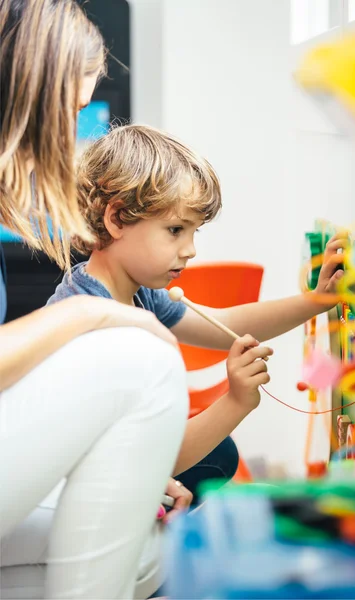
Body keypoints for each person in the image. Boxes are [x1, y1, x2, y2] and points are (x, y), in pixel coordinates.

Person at [0, 2, 212, 598]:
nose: (73, 136)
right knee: (144, 359)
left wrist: (123, 471)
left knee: (147, 554)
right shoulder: (89, 298)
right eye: (68, 113)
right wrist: (93, 312)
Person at [47, 123, 346, 486]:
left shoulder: (135, 292)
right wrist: (236, 402)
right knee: (220, 458)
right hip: (77, 488)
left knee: (219, 456)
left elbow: (224, 324)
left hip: (115, 466)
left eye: (194, 232)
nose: (190, 250)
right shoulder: (89, 324)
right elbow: (129, 463)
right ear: (116, 218)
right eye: (175, 230)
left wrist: (316, 301)